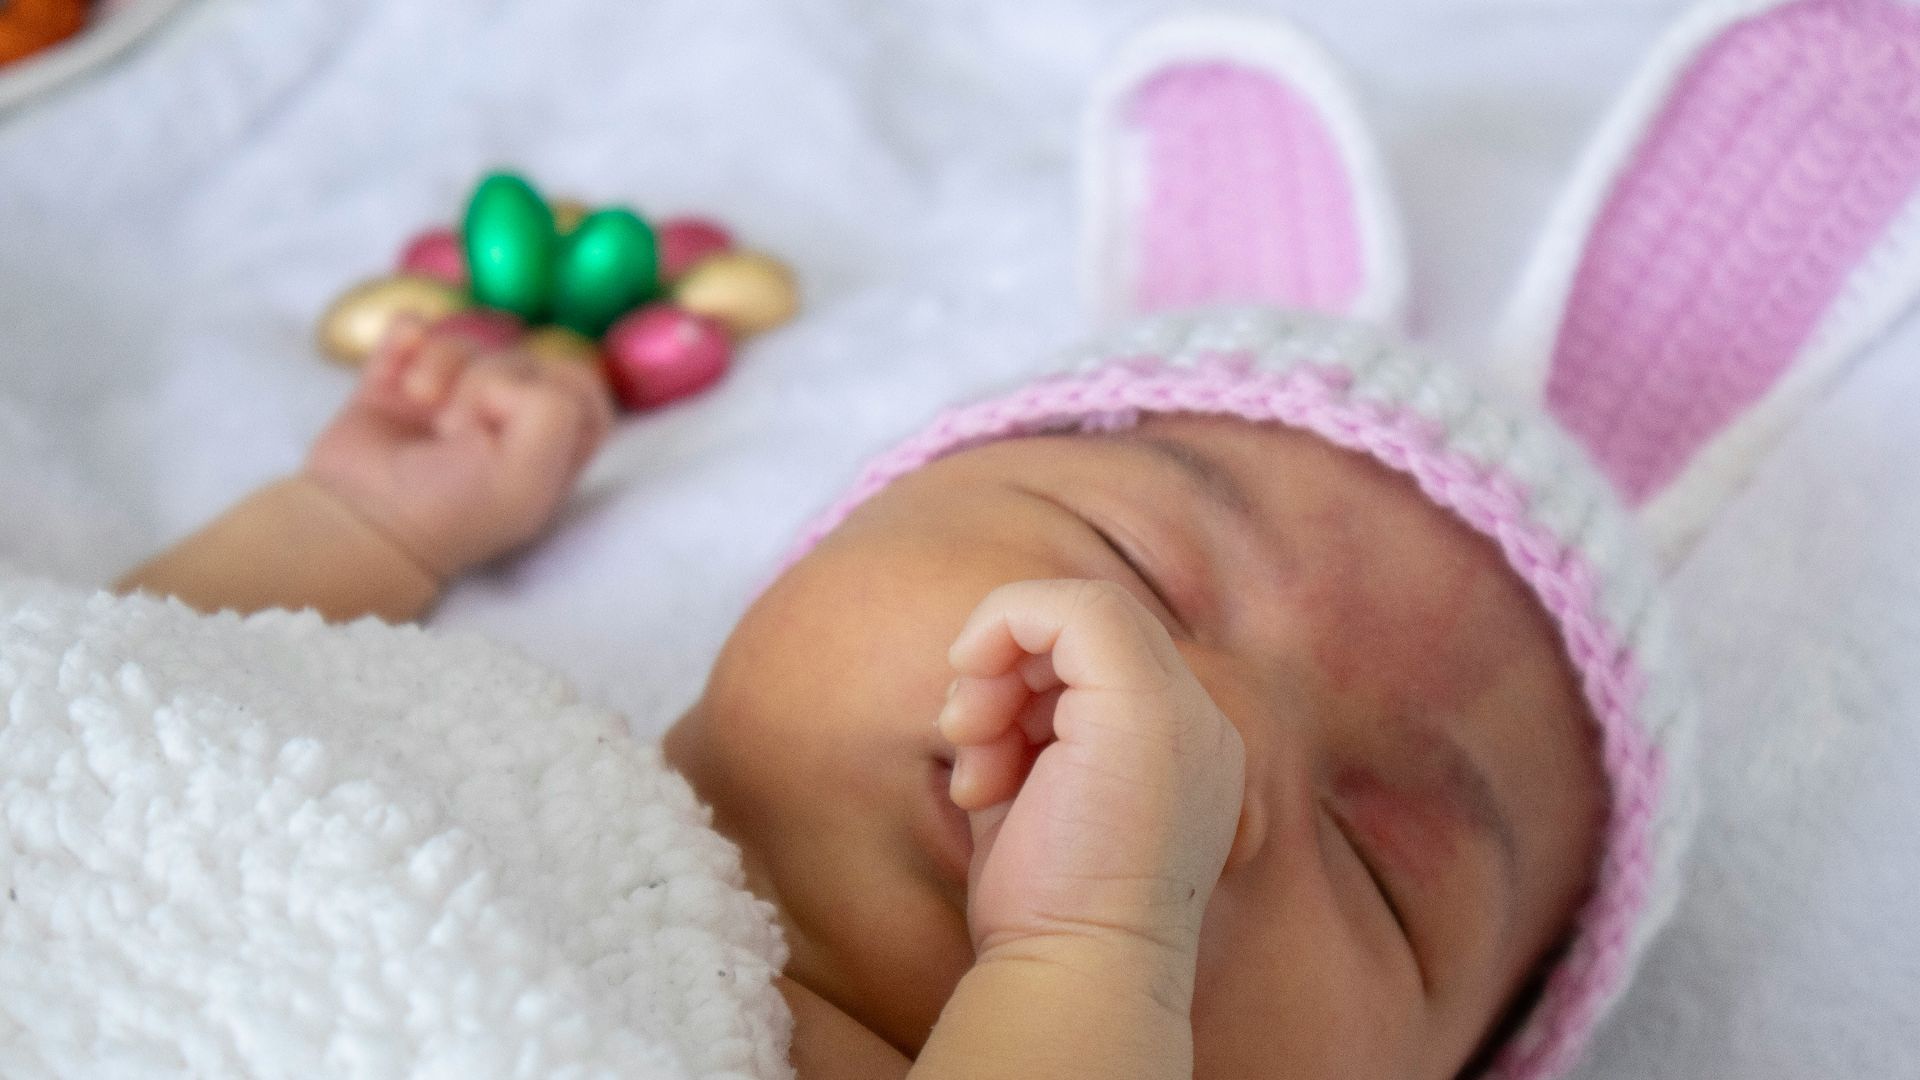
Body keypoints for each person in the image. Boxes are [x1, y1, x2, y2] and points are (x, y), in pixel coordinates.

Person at [126, 0, 1920, 1071]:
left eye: (1383, 868)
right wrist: (350, 527)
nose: (1187, 743)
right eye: (1127, 567)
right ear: (819, 557)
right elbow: (113, 735)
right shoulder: (481, 754)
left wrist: (1084, 970)